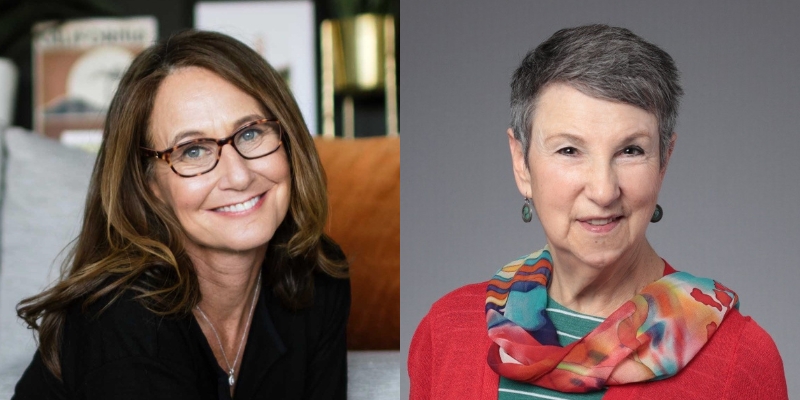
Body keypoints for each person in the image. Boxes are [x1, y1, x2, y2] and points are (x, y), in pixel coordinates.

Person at [408, 24, 787, 399]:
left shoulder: (741, 359)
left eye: (631, 151)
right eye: (569, 150)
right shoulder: (445, 332)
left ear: (664, 162)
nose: (604, 191)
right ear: (521, 163)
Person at [13, 30, 350, 400]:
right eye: (192, 151)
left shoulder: (317, 276)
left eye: (251, 132)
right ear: (149, 185)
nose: (239, 176)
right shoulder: (118, 317)